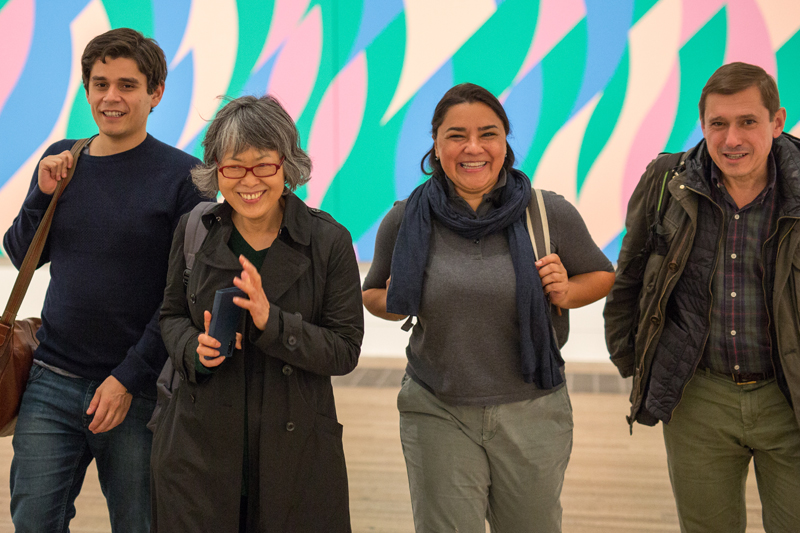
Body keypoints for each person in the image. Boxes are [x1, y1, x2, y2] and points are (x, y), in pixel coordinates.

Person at [362, 83, 615, 533]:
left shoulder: (546, 212)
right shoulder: (406, 219)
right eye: (456, 135)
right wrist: (400, 299)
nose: (473, 147)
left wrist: (566, 292)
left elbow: (601, 274)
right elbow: (372, 295)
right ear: (436, 144)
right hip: (437, 407)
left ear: (505, 142)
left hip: (533, 409)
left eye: (488, 133)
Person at [2, 28, 204, 532]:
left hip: (138, 391)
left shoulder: (186, 178)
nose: (111, 97)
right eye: (100, 84)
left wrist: (128, 378)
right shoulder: (64, 158)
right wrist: (42, 193)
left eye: (127, 85)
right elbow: (21, 254)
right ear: (87, 89)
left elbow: (185, 295)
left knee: (140, 525)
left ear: (156, 93)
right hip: (50, 381)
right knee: (33, 523)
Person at [150, 94, 364, 532]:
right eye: (234, 167)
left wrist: (273, 323)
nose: (249, 181)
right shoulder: (195, 230)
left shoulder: (328, 241)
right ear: (216, 170)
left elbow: (345, 350)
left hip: (296, 459)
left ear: (287, 166)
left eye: (263, 165)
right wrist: (194, 350)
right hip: (196, 457)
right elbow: (170, 315)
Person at [604, 62, 800, 532]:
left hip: (790, 397)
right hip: (699, 399)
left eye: (748, 121)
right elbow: (629, 277)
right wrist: (635, 363)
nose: (732, 139)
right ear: (703, 125)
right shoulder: (667, 181)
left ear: (777, 121)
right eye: (718, 123)